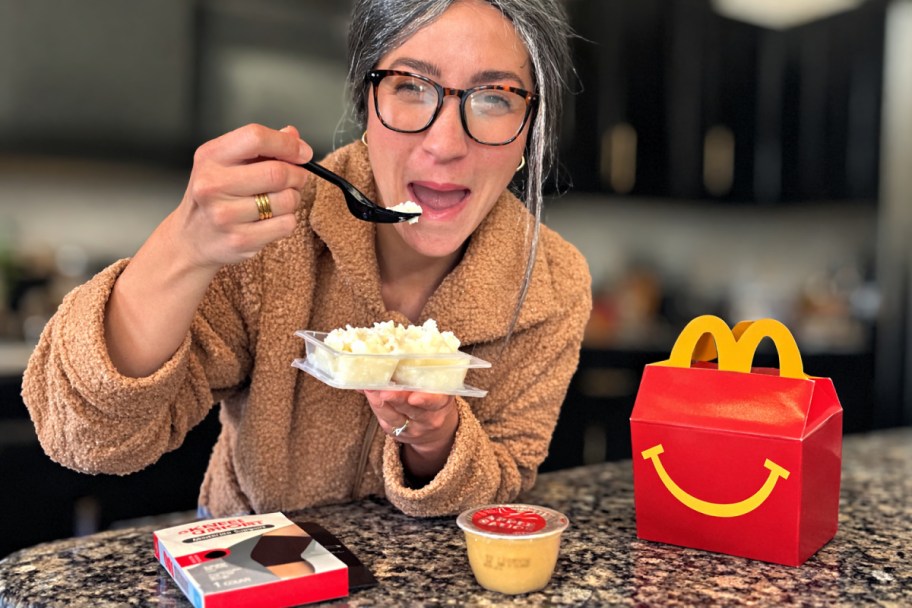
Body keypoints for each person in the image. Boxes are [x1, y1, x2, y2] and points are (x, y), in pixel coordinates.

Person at [21, 0, 591, 519]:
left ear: (529, 132)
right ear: (366, 104)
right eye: (411, 87)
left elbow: (506, 481)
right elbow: (86, 435)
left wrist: (435, 439)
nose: (444, 143)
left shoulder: (552, 284)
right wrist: (183, 244)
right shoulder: (272, 236)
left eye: (494, 97)